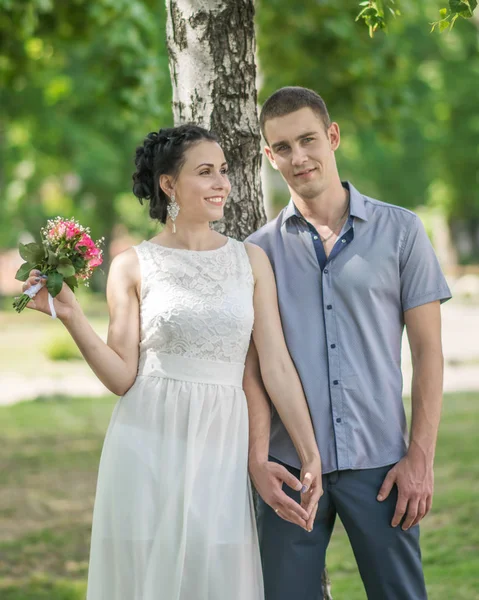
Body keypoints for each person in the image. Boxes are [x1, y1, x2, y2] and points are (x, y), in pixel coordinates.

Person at [20, 124, 323, 600]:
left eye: (223, 171)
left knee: (215, 574)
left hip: (221, 443)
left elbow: (275, 368)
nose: (222, 183)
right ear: (168, 184)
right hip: (147, 441)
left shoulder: (251, 261)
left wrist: (310, 454)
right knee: (150, 579)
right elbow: (122, 376)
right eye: (205, 172)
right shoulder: (132, 264)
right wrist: (72, 315)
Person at [245, 87, 452, 600]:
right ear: (270, 157)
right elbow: (253, 368)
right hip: (290, 473)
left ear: (332, 137)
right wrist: (256, 459)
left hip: (381, 467)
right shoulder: (256, 253)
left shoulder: (401, 231)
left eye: (309, 140)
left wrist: (420, 457)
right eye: (284, 147)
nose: (299, 157)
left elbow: (428, 354)